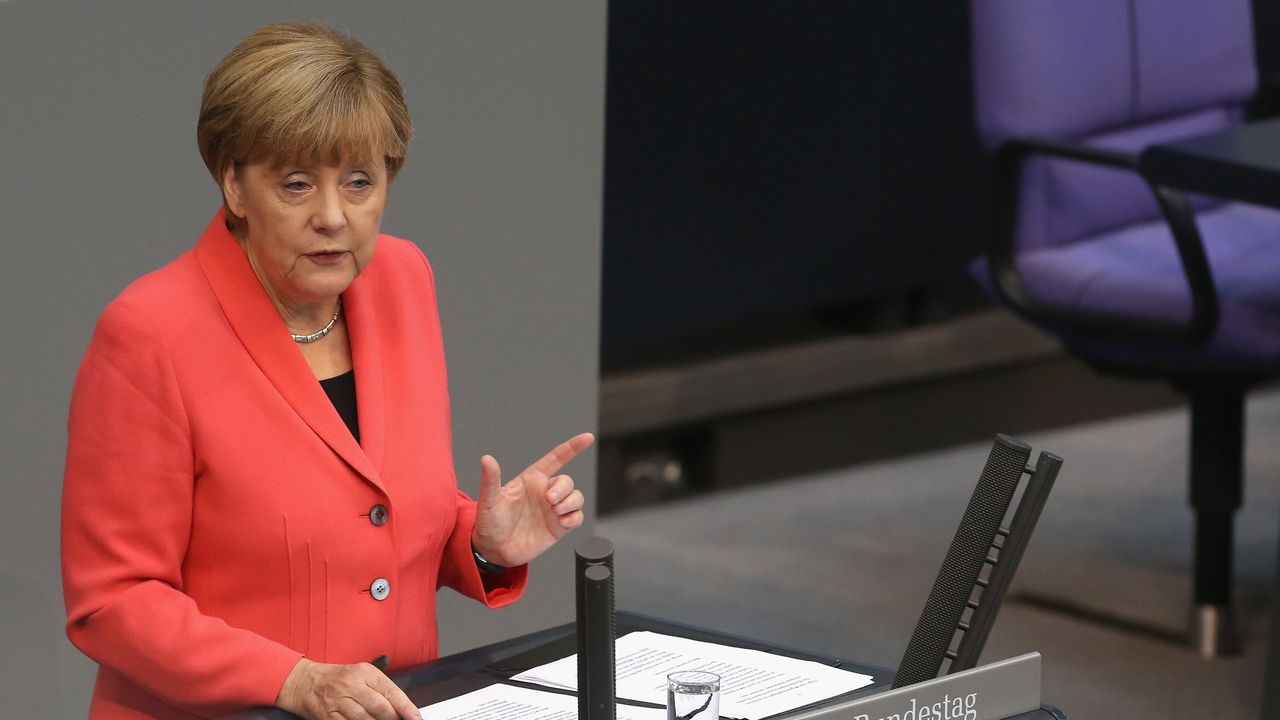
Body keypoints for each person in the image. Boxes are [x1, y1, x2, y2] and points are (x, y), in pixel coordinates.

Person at [60, 22, 593, 720]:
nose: (333, 216)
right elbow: (112, 601)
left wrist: (480, 544)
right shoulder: (150, 334)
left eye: (359, 182)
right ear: (234, 185)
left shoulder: (402, 279)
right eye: (297, 184)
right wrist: (293, 680)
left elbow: (371, 520)